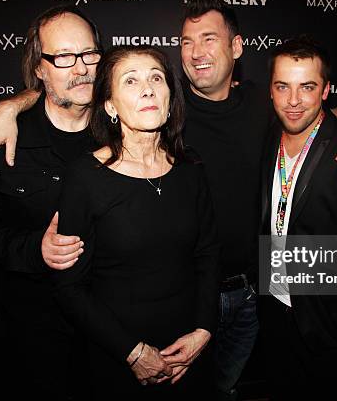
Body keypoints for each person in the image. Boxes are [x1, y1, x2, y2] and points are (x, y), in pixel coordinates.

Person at [0, 0, 337, 399]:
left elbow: (309, 106)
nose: (196, 52)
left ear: (237, 48)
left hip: (251, 298)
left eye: (209, 39)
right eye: (187, 41)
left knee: (225, 388)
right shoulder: (91, 144)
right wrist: (10, 106)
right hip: (105, 329)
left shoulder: (262, 107)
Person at [52, 44, 219, 399]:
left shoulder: (191, 169)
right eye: (130, 81)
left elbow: (207, 255)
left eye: (156, 78)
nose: (147, 88)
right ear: (110, 105)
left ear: (170, 96)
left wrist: (204, 331)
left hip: (188, 354)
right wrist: (132, 351)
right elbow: (70, 288)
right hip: (117, 359)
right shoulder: (85, 177)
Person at [0, 5, 101, 398]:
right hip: (30, 336)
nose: (82, 68)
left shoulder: (123, 132)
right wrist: (35, 248)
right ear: (39, 67)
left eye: (89, 54)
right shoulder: (1, 140)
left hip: (107, 335)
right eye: (65, 57)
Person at [258, 36, 337, 400]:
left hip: (328, 327)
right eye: (283, 86)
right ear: (271, 90)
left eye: (307, 87)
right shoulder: (269, 138)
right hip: (276, 313)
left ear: (326, 90)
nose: (293, 101)